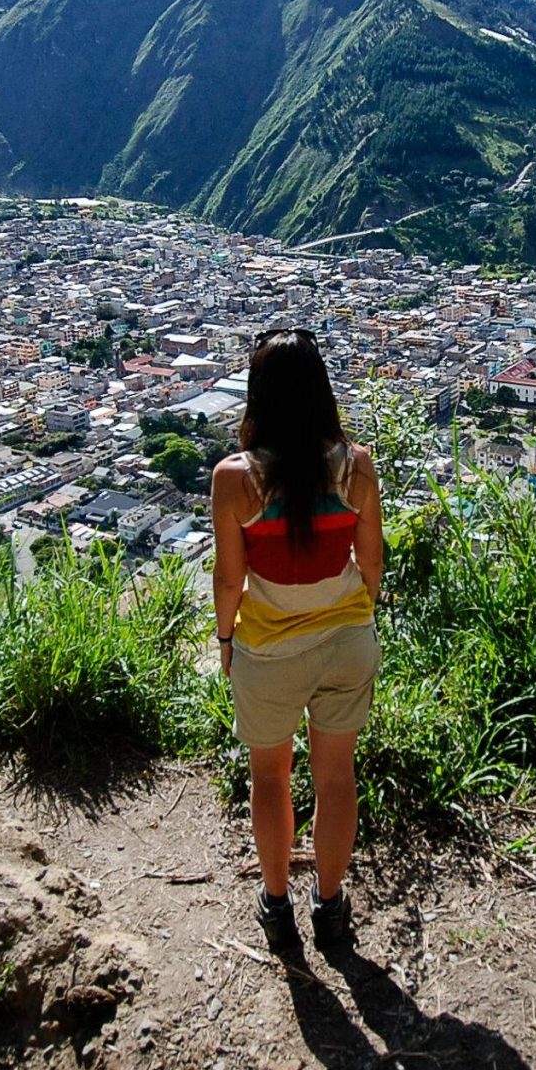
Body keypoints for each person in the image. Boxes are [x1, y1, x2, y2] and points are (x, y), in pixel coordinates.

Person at [211, 328, 384, 955]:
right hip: (346, 640)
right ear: (321, 392)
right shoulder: (355, 466)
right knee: (337, 777)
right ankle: (331, 908)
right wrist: (354, 615)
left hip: (269, 651)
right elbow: (371, 565)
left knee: (271, 777)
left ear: (258, 395)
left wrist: (226, 639)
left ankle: (277, 904)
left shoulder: (237, 479)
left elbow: (230, 579)